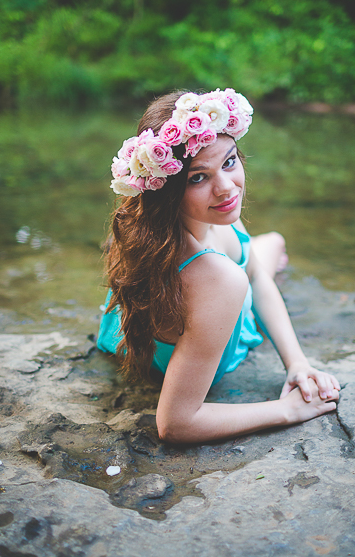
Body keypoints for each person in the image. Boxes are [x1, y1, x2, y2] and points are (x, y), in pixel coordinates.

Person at [98, 91, 340, 444]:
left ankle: (271, 250)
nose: (226, 189)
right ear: (167, 189)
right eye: (198, 178)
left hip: (210, 287)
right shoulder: (219, 279)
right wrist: (288, 410)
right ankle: (269, 254)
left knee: (268, 247)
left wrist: (297, 363)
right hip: (207, 308)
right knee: (254, 261)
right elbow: (175, 423)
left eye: (228, 163)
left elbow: (255, 276)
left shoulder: (155, 226)